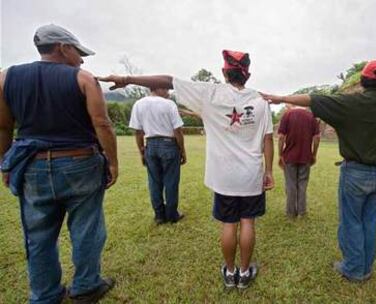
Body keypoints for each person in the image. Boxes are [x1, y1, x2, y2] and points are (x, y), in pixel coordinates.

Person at [99, 49, 274, 289]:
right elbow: (268, 139)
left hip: (224, 176)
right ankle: (244, 274)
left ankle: (230, 271)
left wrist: (128, 79)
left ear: (224, 72)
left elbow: (168, 81)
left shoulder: (210, 94)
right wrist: (269, 171)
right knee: (248, 223)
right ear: (248, 74)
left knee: (229, 224)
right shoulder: (261, 101)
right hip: (251, 174)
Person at [0, 24, 118, 303]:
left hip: (32, 165)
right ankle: (87, 286)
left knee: (38, 235)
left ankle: (44, 294)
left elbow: (3, 128)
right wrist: (112, 162)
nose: (81, 59)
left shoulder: (6, 78)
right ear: (62, 48)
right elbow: (102, 123)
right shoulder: (84, 79)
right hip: (80, 162)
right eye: (78, 52)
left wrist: (5, 163)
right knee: (87, 229)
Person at [262, 60, 376, 282]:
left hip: (355, 173)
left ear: (363, 80)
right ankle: (365, 267)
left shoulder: (351, 103)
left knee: (352, 222)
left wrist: (281, 98)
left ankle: (354, 269)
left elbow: (313, 99)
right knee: (370, 223)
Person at [129, 87, 186, 224]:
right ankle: (172, 215)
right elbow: (177, 130)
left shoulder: (139, 104)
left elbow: (138, 132)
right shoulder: (169, 104)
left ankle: (159, 216)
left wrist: (141, 151)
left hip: (150, 145)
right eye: (166, 89)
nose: (168, 92)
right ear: (158, 88)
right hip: (169, 143)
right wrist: (182, 150)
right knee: (171, 181)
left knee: (154, 182)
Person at [277, 107, 320, 218]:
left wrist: (280, 154)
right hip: (306, 156)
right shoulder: (312, 116)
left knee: (290, 184)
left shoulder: (287, 115)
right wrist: (314, 154)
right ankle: (302, 212)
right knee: (302, 184)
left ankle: (290, 213)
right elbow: (317, 138)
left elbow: (281, 137)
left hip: (289, 156)